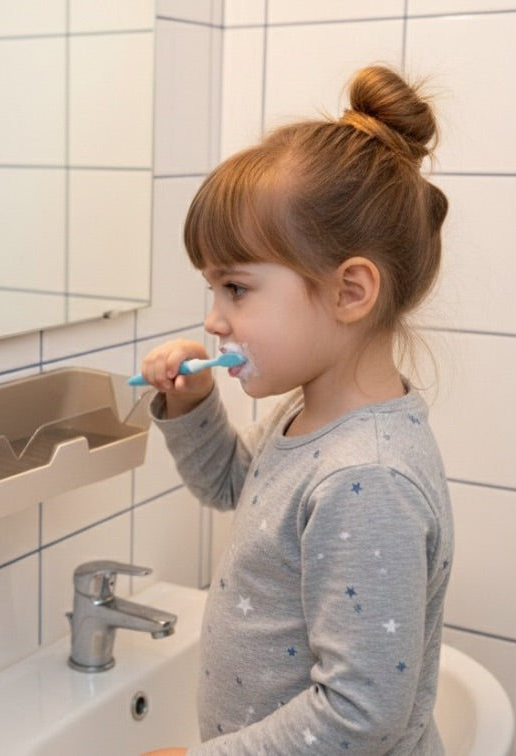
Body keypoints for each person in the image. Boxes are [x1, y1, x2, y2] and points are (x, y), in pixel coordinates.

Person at [139, 65, 453, 754]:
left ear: (349, 292)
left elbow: (359, 716)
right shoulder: (306, 417)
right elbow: (229, 484)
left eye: (237, 289)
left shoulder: (366, 478)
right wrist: (191, 404)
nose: (214, 321)